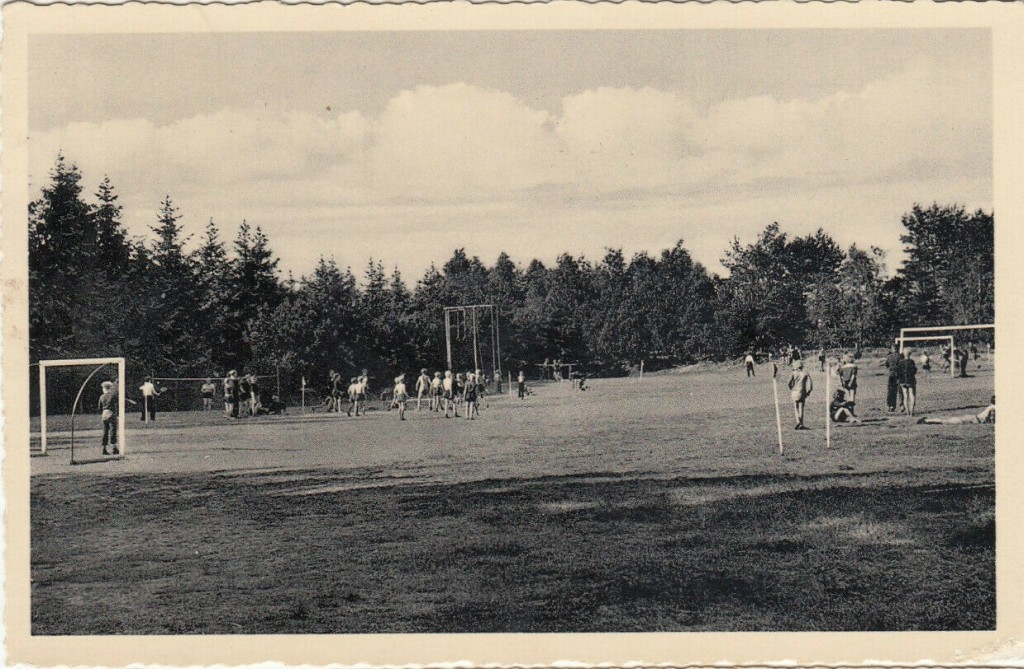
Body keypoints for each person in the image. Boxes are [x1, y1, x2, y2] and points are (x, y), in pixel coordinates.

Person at [918, 395, 995, 425]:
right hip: (973, 419)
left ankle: (928, 420)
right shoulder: (993, 408)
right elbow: (992, 420)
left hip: (973, 418)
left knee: (946, 420)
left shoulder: (991, 407)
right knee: (946, 421)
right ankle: (927, 421)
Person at [787, 360, 813, 430]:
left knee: (795, 407)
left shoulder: (793, 373)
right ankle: (801, 423)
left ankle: (798, 422)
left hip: (794, 391)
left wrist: (791, 388)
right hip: (802, 392)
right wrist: (808, 392)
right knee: (801, 407)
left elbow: (788, 383)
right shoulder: (805, 373)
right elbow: (810, 385)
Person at [98, 381, 120, 455]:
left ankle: (104, 449)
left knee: (105, 431)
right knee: (113, 431)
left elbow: (99, 408)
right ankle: (114, 448)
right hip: (111, 414)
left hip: (104, 415)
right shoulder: (113, 395)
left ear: (104, 388)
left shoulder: (101, 396)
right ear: (110, 388)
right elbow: (117, 404)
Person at [895, 350, 918, 417]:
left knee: (905, 396)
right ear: (910, 354)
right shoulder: (911, 361)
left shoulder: (900, 362)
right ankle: (911, 412)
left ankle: (907, 413)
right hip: (910, 380)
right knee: (912, 396)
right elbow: (914, 370)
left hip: (903, 381)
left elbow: (898, 372)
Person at [884, 345, 902, 413]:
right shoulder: (900, 356)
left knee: (891, 391)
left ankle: (890, 405)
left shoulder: (889, 357)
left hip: (891, 375)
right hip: (898, 374)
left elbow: (886, 365)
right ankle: (902, 405)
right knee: (900, 390)